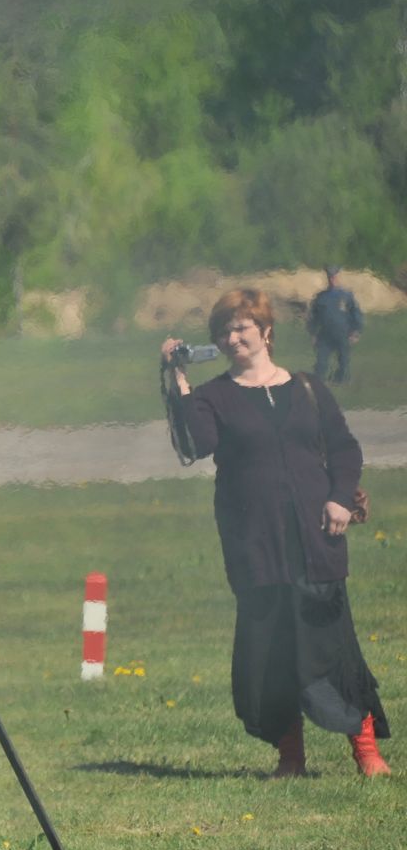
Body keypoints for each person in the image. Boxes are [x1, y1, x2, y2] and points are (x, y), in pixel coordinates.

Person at [163, 289, 387, 777]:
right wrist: (179, 382)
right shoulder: (213, 397)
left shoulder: (307, 388)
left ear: (266, 332)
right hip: (256, 545)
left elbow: (345, 448)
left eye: (242, 327)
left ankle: (366, 751)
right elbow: (197, 444)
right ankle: (291, 757)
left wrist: (339, 496)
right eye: (223, 330)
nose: (232, 337)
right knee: (272, 649)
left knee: (333, 645)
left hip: (317, 538)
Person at [306, 265, 363, 384]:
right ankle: (318, 382)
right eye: (330, 277)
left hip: (343, 334)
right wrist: (313, 333)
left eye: (334, 277)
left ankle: (341, 380)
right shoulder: (321, 297)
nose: (332, 279)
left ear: (338, 277)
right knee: (321, 362)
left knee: (343, 361)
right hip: (325, 335)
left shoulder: (346, 296)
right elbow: (314, 317)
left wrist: (356, 331)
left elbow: (355, 313)